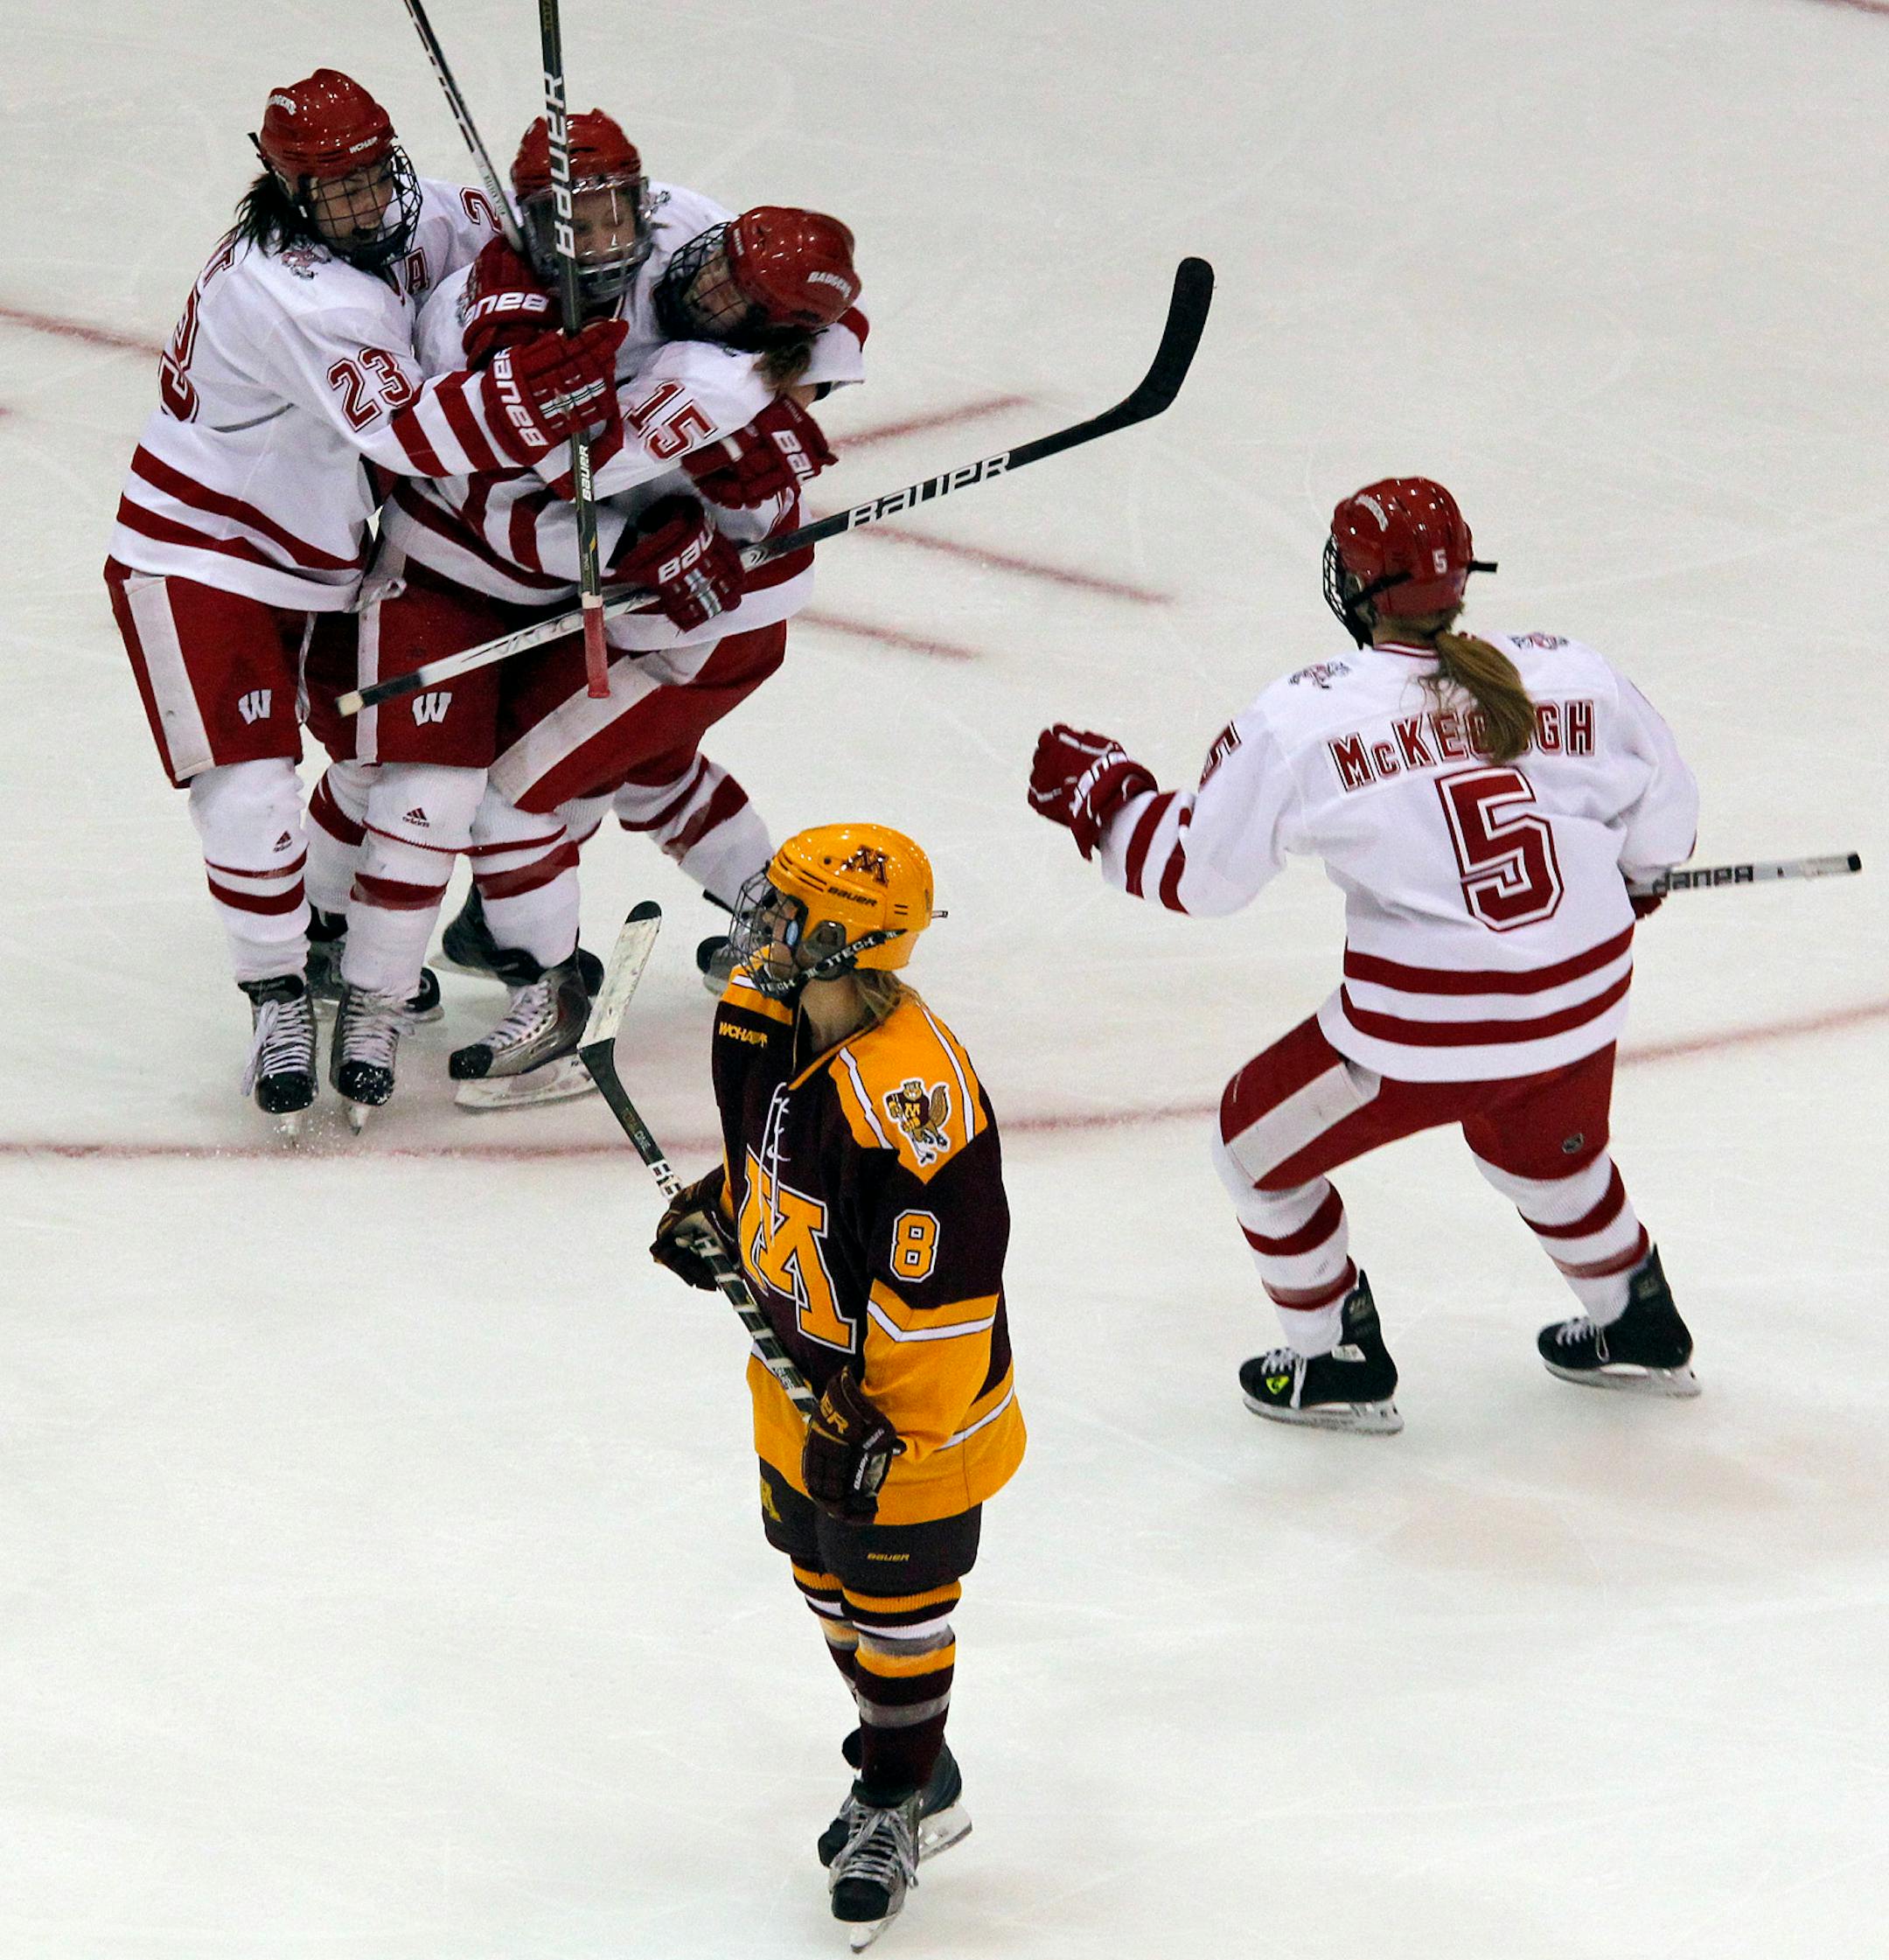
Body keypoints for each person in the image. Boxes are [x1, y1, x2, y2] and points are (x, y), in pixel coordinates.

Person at [1028, 477, 1701, 1430]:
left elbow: (1199, 876)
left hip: (1421, 1039)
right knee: (1547, 1154)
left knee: (1252, 1150)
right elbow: (1664, 816)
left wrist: (1109, 798)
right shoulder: (1572, 670)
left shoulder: (1308, 717)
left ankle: (1334, 1358)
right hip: (1581, 1006)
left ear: (1352, 583)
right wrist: (1640, 876)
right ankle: (1636, 1316)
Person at [303, 108, 865, 1120]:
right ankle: (782, 932)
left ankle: (554, 1007)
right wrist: (638, 539)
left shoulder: (719, 373)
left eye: (747, 302)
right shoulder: (651, 254)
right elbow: (528, 487)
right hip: (648, 601)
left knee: (511, 800)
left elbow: (599, 477)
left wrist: (722, 509)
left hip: (705, 626)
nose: (715, 290)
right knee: (647, 769)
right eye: (581, 220)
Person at [101, 68, 624, 1131]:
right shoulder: (291, 290)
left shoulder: (420, 207)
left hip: (331, 557)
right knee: (250, 796)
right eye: (330, 191)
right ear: (286, 191)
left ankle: (349, 951)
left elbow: (490, 256)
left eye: (369, 179)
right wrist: (532, 396)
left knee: (384, 764)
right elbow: (407, 434)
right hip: (206, 555)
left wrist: (538, 282)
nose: (359, 206)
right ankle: (278, 999)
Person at [649, 825, 1023, 1943]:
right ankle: (915, 1754)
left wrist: (888, 1429)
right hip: (795, 1375)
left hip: (908, 1416)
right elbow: (775, 1156)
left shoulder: (915, 1105)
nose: (759, 927)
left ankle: (896, 1797)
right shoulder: (770, 1018)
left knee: (897, 1612)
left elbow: (944, 1298)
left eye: (785, 914)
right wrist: (726, 1209)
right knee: (819, 1573)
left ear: (844, 939)